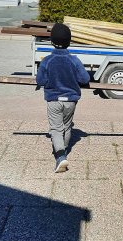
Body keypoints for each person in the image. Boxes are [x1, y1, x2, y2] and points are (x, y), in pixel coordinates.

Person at [36, 23, 90, 172]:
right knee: (66, 126)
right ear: (69, 41)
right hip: (71, 101)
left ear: (51, 41)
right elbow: (85, 79)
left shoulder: (47, 60)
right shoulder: (74, 60)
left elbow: (40, 81)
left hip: (54, 99)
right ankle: (64, 150)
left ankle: (60, 156)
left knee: (56, 128)